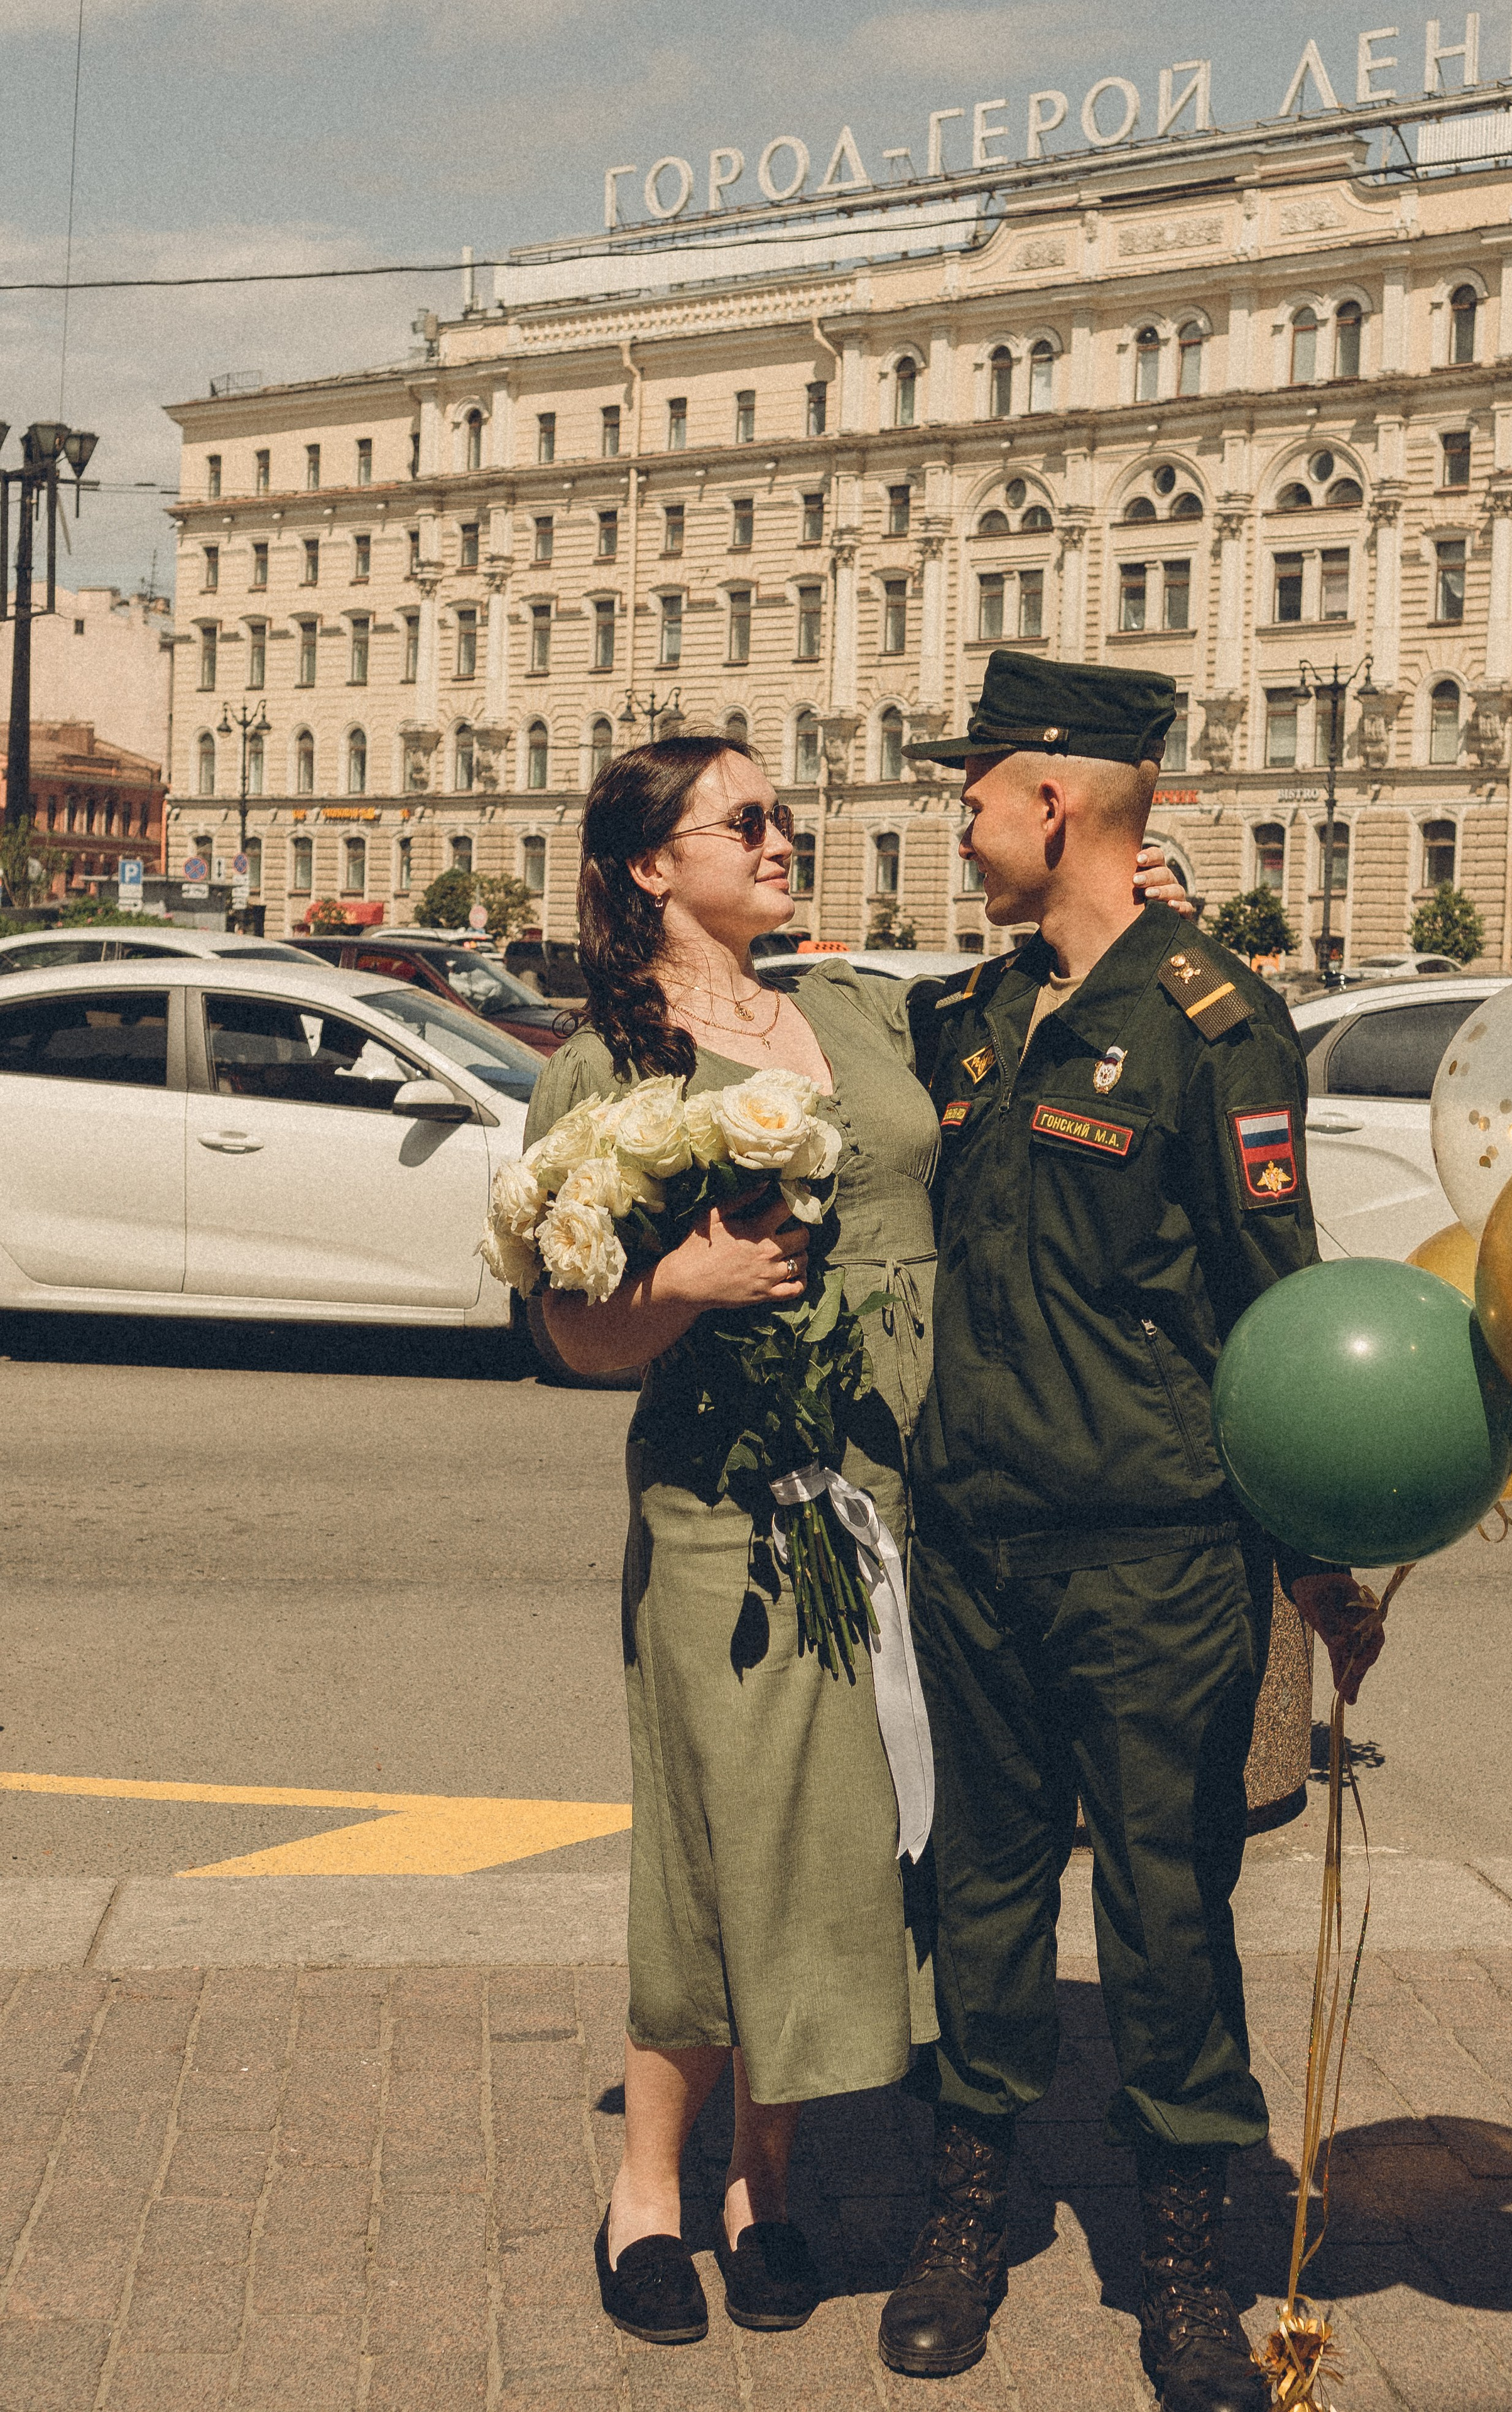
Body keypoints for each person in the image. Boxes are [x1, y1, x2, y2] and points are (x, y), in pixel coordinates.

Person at [525, 733, 1194, 2350]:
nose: (780, 835)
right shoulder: (603, 1062)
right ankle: (643, 2196)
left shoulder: (853, 1009)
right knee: (718, 1837)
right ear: (645, 865)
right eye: (742, 819)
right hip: (727, 1500)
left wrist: (1141, 914)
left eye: (780, 813)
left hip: (909, 1481)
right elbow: (560, 1328)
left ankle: (765, 2190)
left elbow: (1043, 999)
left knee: (846, 1851)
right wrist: (673, 1293)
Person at [877, 653, 1372, 2408]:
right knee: (983, 1896)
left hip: (1155, 1556)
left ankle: (1184, 2274)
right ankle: (966, 2224)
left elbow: (1277, 1310)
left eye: (974, 788)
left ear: (1055, 802)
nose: (957, 814)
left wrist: (1322, 1564)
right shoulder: (973, 1016)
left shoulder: (1216, 1023)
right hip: (978, 1540)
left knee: (1171, 1915)